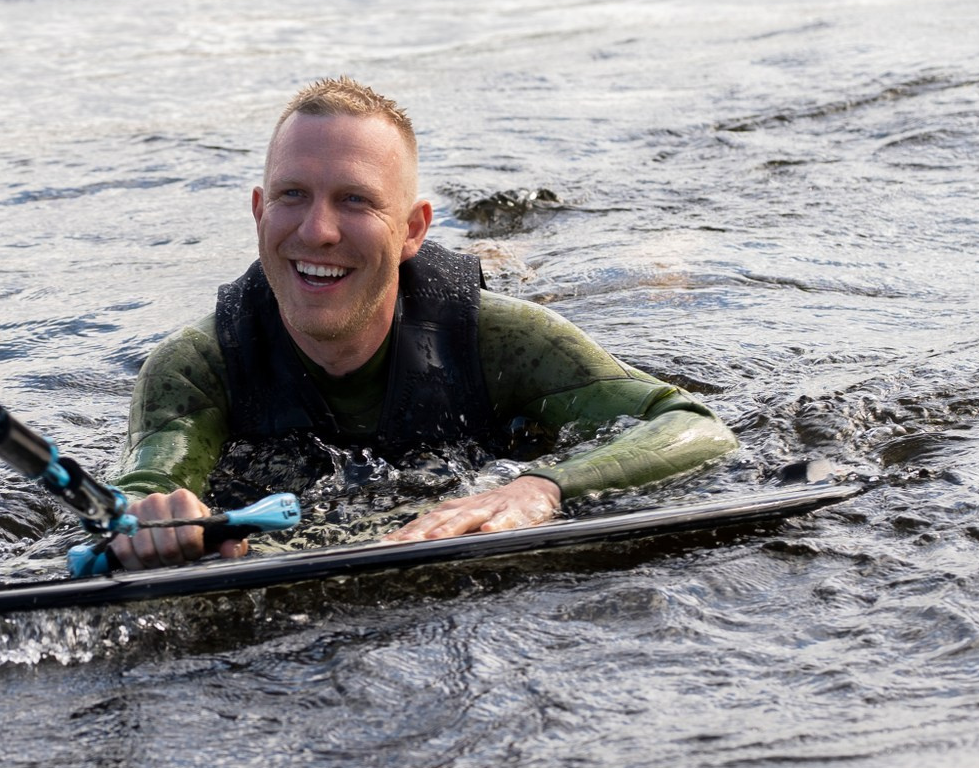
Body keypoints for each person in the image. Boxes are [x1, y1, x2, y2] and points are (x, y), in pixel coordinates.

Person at [109, 77, 736, 569]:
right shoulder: (197, 366)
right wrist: (151, 518)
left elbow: (694, 425)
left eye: (355, 199)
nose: (317, 230)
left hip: (467, 306)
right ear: (258, 211)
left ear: (412, 229)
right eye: (291, 194)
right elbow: (148, 479)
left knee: (632, 274)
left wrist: (541, 486)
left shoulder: (503, 340)